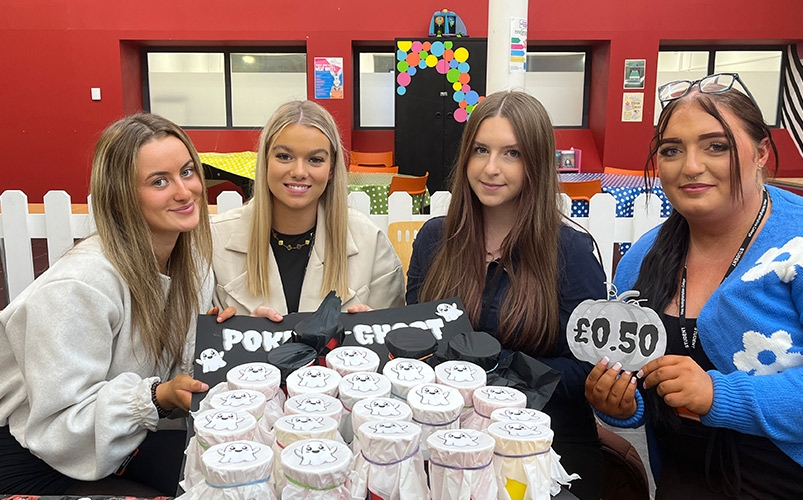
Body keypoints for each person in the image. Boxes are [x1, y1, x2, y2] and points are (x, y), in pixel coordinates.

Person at [585, 73, 803, 499]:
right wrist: (619, 404)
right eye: (672, 150)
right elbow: (635, 386)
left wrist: (717, 393)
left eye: (716, 146)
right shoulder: (639, 261)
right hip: (681, 483)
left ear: (761, 151)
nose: (691, 166)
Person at [406, 90, 608, 500]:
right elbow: (415, 343)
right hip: (449, 444)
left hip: (546, 450)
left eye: (512, 154)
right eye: (481, 150)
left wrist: (500, 370)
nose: (491, 168)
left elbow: (588, 370)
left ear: (536, 164)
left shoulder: (569, 251)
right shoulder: (434, 240)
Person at [0, 113, 215, 496]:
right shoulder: (79, 285)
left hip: (119, 440)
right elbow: (59, 427)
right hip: (33, 453)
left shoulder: (192, 264)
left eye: (187, 171)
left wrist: (228, 334)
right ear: (119, 199)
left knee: (222, 476)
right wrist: (157, 397)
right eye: (159, 181)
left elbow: (184, 368)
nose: (185, 191)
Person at [211, 100, 404, 318]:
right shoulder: (214, 241)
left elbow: (394, 341)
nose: (299, 171)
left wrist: (374, 332)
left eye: (315, 159)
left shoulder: (371, 242)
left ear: (331, 169)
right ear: (265, 161)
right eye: (284, 156)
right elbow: (189, 339)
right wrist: (225, 334)